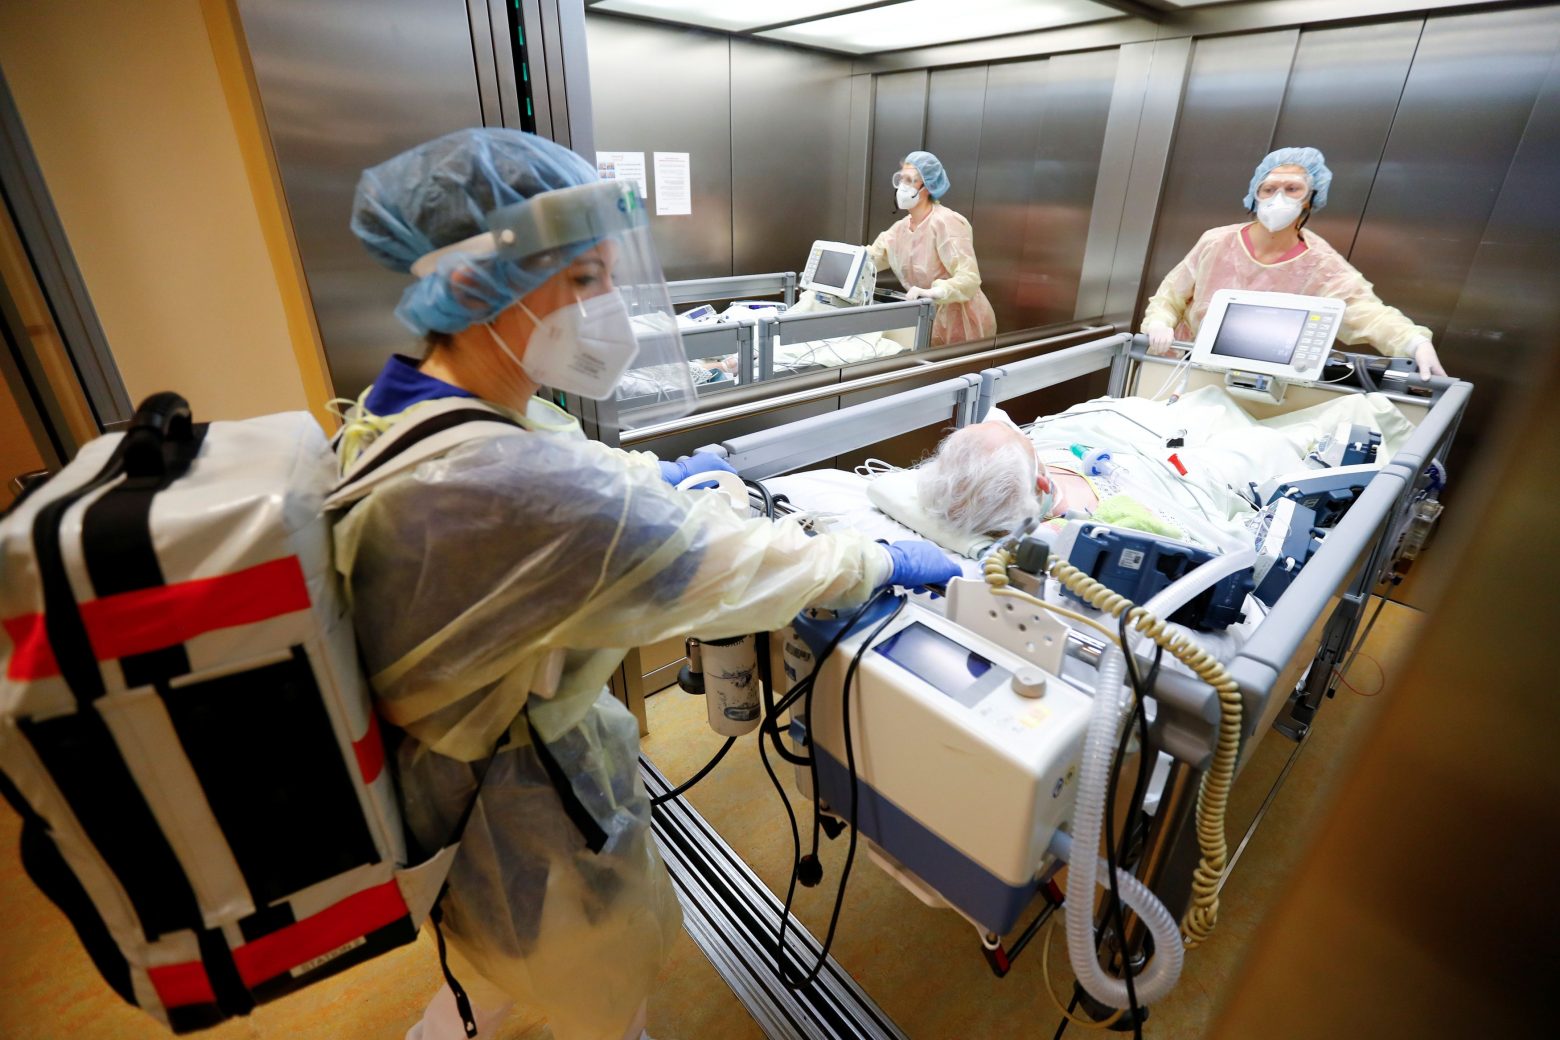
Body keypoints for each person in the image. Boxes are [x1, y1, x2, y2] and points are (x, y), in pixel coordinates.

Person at [338, 128, 963, 1040]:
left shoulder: (407, 404)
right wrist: (878, 561)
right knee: (593, 973)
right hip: (521, 797)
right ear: (477, 289)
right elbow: (733, 569)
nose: (607, 307)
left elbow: (559, 465)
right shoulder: (512, 487)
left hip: (459, 773)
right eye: (583, 280)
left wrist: (654, 476)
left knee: (494, 960)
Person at [1141, 146, 1448, 379]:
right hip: (1181, 366)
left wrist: (1412, 341)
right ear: (1255, 195)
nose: (1279, 198)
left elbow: (1365, 312)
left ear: (1310, 198)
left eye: (1292, 189)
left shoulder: (1320, 264)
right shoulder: (1216, 242)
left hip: (1257, 379)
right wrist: (1159, 323)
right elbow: (1171, 296)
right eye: (1269, 189)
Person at [867, 150, 998, 348]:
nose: (902, 186)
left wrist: (936, 292)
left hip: (963, 323)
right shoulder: (899, 230)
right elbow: (870, 260)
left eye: (910, 180)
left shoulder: (947, 223)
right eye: (901, 179)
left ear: (927, 186)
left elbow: (969, 278)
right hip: (929, 318)